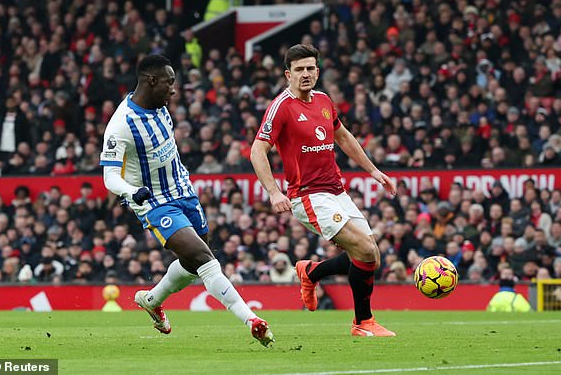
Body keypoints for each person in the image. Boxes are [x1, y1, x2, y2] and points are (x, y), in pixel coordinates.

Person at [100, 54, 273, 346]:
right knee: (205, 258)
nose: (174, 89)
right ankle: (252, 319)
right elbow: (109, 177)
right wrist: (132, 193)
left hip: (184, 192)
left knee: (192, 262)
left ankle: (152, 300)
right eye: (170, 82)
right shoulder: (121, 125)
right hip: (154, 203)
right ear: (151, 81)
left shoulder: (161, 107)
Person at [251, 44, 396, 337]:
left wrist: (374, 171)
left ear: (317, 71)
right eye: (299, 70)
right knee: (365, 250)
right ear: (287, 74)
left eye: (310, 68)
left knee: (372, 257)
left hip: (336, 191)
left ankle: (311, 272)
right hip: (307, 196)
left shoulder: (323, 100)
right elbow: (257, 150)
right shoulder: (281, 107)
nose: (305, 74)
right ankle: (362, 322)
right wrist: (273, 191)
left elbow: (343, 136)